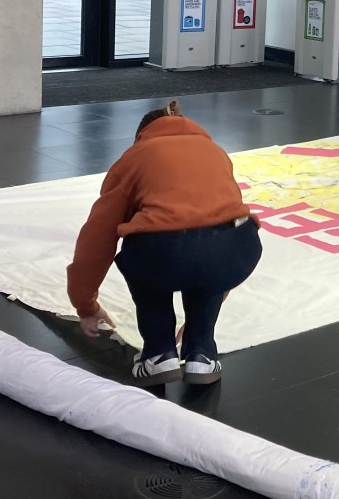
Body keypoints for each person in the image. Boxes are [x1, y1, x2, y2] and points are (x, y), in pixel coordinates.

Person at [67, 100, 262, 386]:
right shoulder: (216, 151)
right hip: (236, 248)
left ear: (142, 134)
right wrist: (201, 318)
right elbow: (226, 225)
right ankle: (202, 354)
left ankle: (158, 355)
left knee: (146, 252)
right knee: (208, 258)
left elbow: (98, 235)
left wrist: (85, 304)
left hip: (165, 255)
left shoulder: (135, 157)